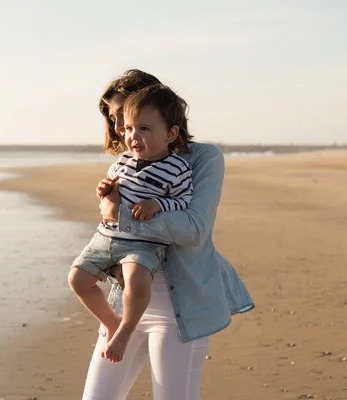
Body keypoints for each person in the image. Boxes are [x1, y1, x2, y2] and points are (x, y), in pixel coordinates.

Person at [82, 69, 255, 400]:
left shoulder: (204, 158)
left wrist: (122, 217)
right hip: (125, 304)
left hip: (179, 309)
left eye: (125, 117)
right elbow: (114, 230)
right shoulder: (127, 162)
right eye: (117, 121)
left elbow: (194, 229)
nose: (120, 130)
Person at [68, 84, 194, 363]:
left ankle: (126, 328)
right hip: (106, 236)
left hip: (144, 242)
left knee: (136, 279)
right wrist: (104, 189)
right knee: (77, 278)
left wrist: (158, 204)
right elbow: (112, 193)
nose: (133, 136)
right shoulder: (123, 160)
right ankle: (112, 322)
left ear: (170, 134)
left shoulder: (177, 168)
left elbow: (184, 201)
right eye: (128, 129)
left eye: (144, 129)